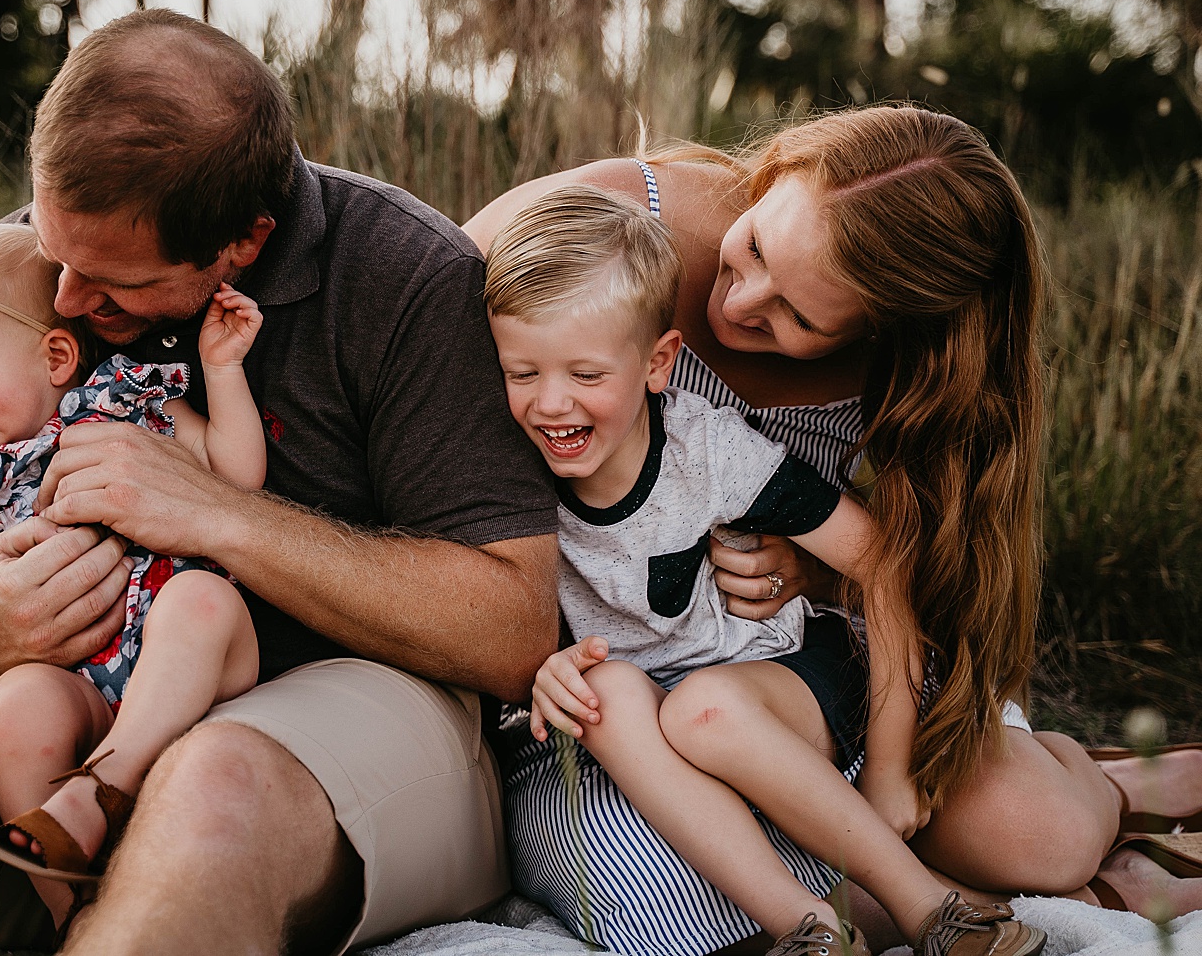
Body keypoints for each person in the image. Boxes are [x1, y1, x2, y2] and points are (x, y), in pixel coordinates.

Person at [0, 9, 559, 956]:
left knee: (210, 785)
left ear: (245, 241)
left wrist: (223, 515)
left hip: (341, 715)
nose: (63, 301)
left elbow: (511, 629)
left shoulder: (408, 278)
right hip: (76, 689)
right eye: (58, 254)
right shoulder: (19, 265)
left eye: (111, 284)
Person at [464, 106, 1202, 954]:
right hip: (631, 690)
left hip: (795, 673)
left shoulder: (912, 369)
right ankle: (947, 901)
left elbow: (902, 566)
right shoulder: (605, 234)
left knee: (1044, 835)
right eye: (752, 249)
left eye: (800, 321)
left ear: (882, 330)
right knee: (657, 896)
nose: (739, 302)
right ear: (774, 175)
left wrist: (819, 579)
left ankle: (1107, 788)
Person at [484, 184, 1046, 956]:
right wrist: (540, 669)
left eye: (585, 374)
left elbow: (882, 562)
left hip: (766, 668)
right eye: (522, 374)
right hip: (641, 700)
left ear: (658, 364)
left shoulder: (707, 448)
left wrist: (888, 766)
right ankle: (810, 931)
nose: (551, 404)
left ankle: (933, 910)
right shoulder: (505, 458)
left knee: (703, 713)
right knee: (601, 692)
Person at [0, 223, 267, 927]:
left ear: (57, 354)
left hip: (196, 665)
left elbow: (238, 476)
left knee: (200, 598)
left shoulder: (122, 397)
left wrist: (222, 370)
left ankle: (100, 791)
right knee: (18, 701)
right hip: (86, 686)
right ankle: (71, 913)